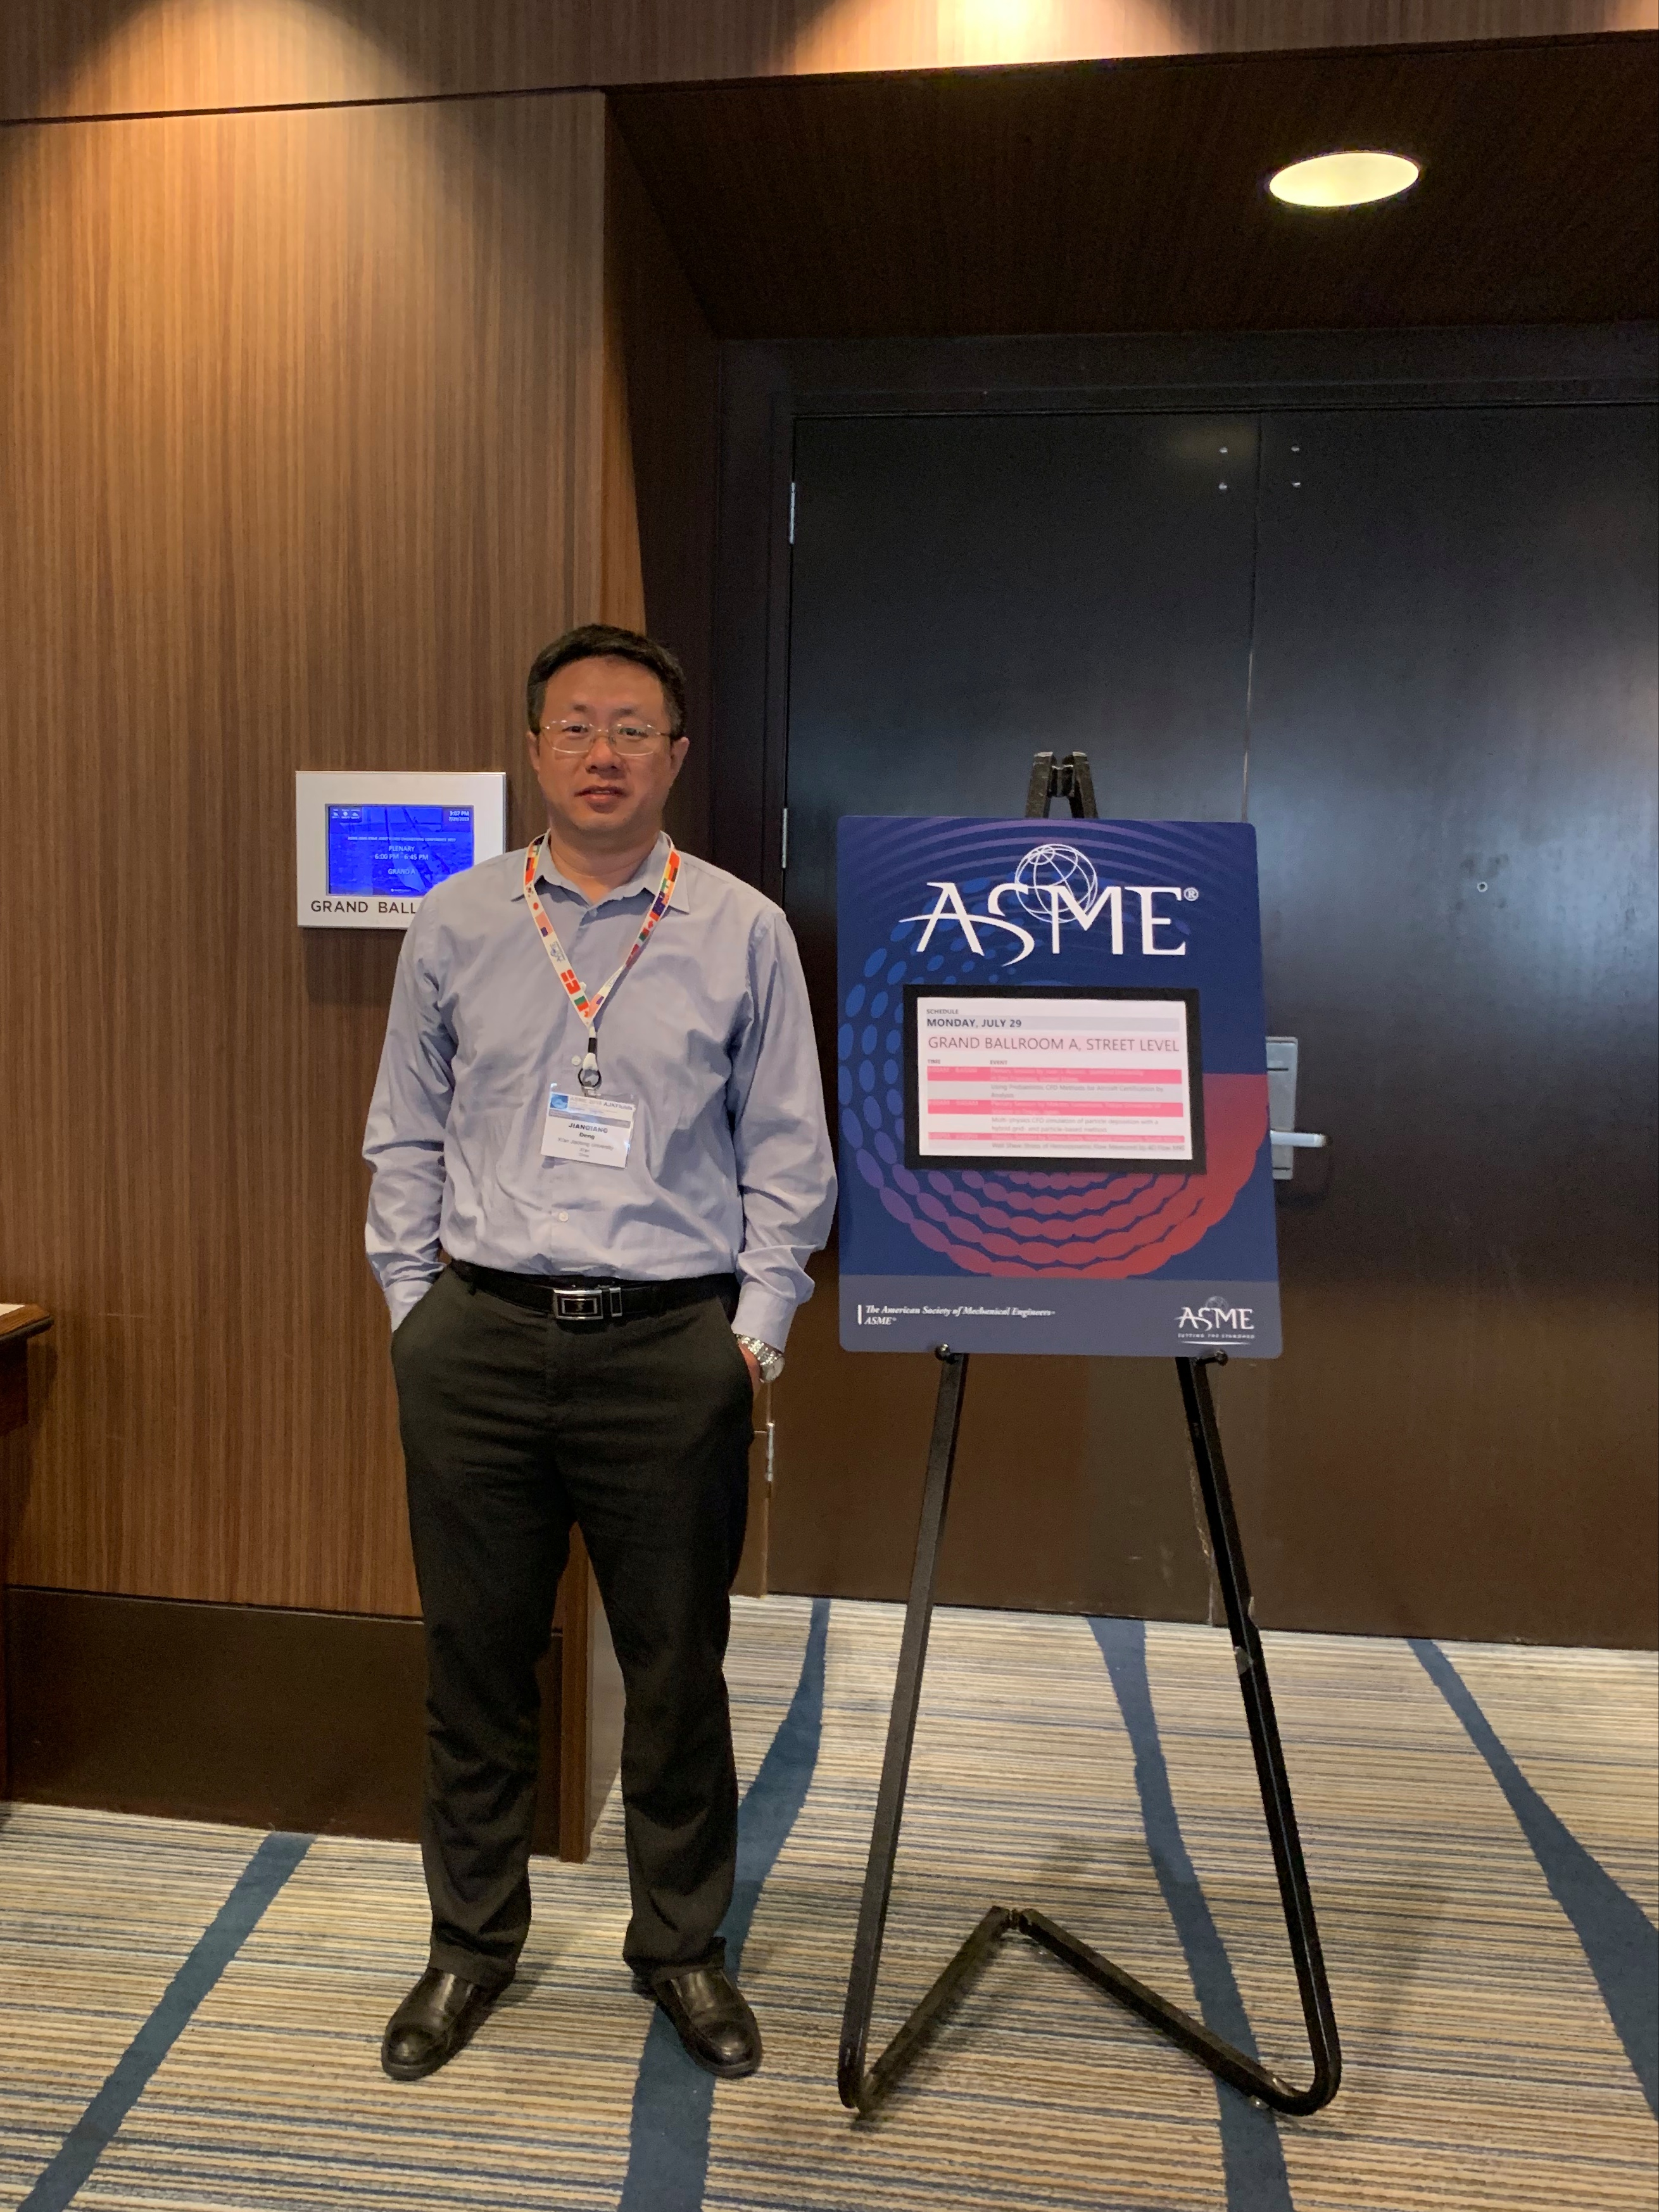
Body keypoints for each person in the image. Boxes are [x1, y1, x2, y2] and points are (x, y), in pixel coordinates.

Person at [363, 622, 835, 2084]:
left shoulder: (741, 928)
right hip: (479, 1341)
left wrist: (751, 1338)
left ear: (674, 756)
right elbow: (404, 1133)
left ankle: (681, 1948)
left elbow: (788, 1152)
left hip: (668, 1347)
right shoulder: (455, 921)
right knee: (475, 1660)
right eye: (575, 726)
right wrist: (413, 1309)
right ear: (533, 750)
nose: (603, 754)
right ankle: (469, 1944)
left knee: (677, 1668)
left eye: (633, 729)